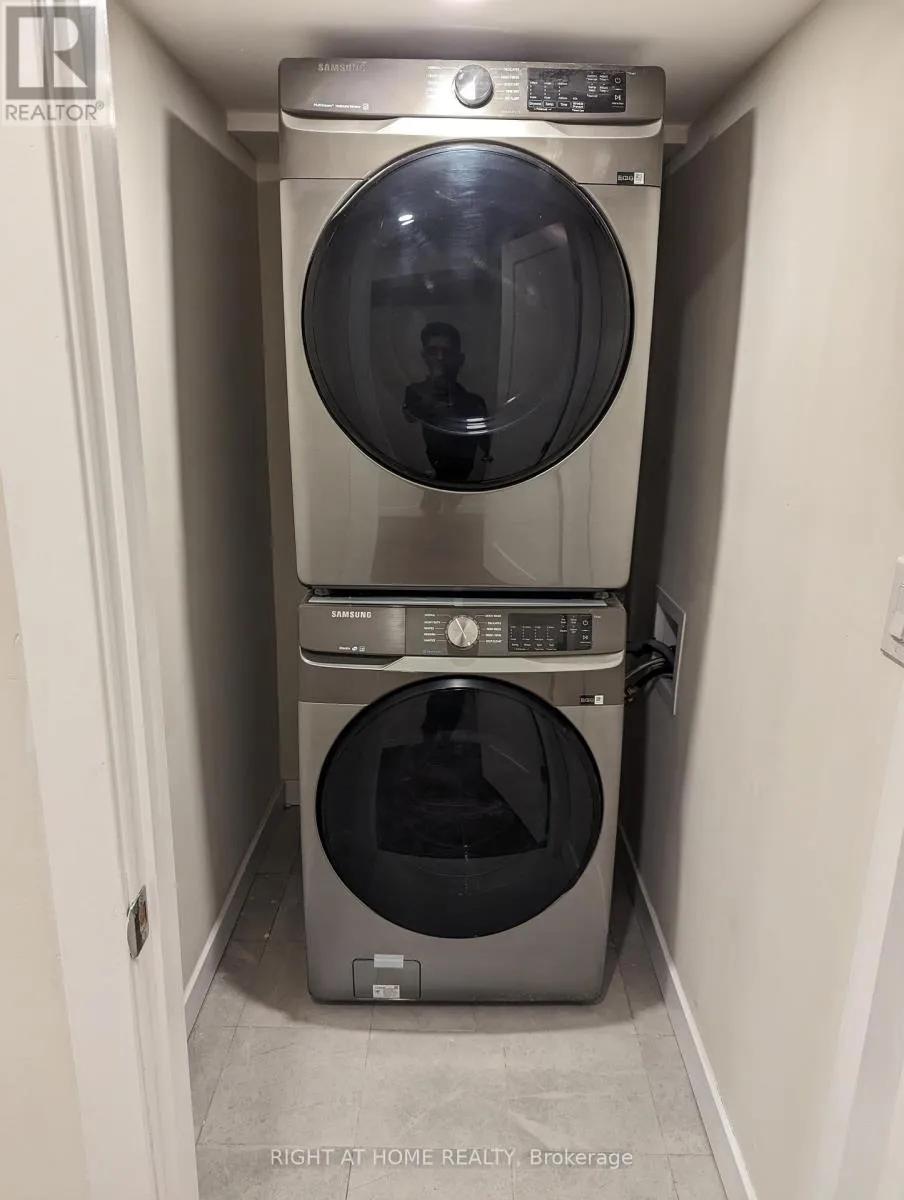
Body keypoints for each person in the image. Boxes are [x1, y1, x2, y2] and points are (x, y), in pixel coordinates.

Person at [403, 322, 493, 485]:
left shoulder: (474, 403)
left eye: (447, 352)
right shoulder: (414, 394)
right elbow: (409, 422)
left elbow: (487, 453)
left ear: (460, 359)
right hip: (415, 480)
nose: (440, 358)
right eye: (433, 352)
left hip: (469, 485)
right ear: (424, 356)